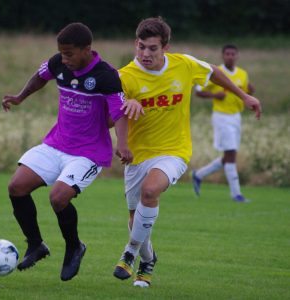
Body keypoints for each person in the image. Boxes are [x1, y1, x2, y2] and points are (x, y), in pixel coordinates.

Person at [112, 17, 261, 287]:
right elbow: (109, 117)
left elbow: (214, 71)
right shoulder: (124, 77)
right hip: (137, 155)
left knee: (150, 191)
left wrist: (244, 96)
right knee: (136, 217)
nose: (146, 54)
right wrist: (127, 104)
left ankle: (130, 251)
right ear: (136, 43)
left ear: (166, 48)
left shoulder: (184, 64)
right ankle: (147, 260)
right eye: (142, 47)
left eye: (153, 48)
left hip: (174, 150)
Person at [2, 22, 133, 282]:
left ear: (87, 49)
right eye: (61, 53)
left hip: (89, 153)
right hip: (56, 143)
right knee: (16, 187)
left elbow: (119, 113)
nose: (64, 58)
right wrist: (20, 97)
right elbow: (40, 77)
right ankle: (36, 244)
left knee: (58, 198)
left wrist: (124, 144)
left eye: (69, 53)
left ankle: (74, 246)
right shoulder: (59, 63)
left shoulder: (106, 75)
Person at [192, 44, 255, 202]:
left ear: (237, 55)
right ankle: (236, 194)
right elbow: (198, 92)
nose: (230, 56)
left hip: (236, 117)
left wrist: (250, 92)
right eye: (227, 54)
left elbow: (246, 91)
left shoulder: (242, 74)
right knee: (231, 155)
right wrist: (214, 95)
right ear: (222, 56)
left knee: (228, 155)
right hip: (222, 117)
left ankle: (199, 175)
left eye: (233, 54)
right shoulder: (216, 72)